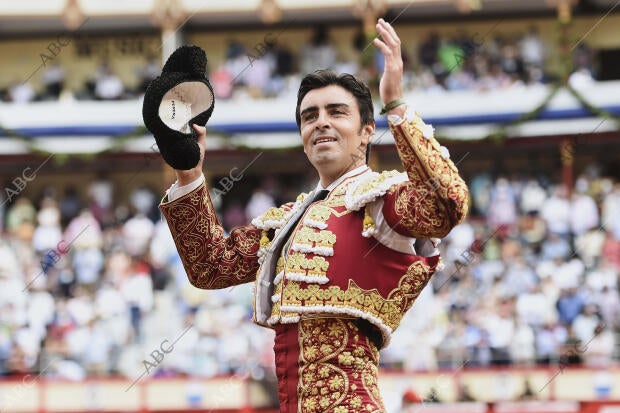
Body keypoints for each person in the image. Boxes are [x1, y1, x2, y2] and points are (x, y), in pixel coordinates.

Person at [159, 19, 468, 412]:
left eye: (337, 112)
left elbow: (446, 202)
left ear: (366, 131)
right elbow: (210, 266)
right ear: (303, 140)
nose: (320, 121)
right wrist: (189, 173)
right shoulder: (288, 220)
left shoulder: (381, 201)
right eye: (309, 116)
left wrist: (396, 105)